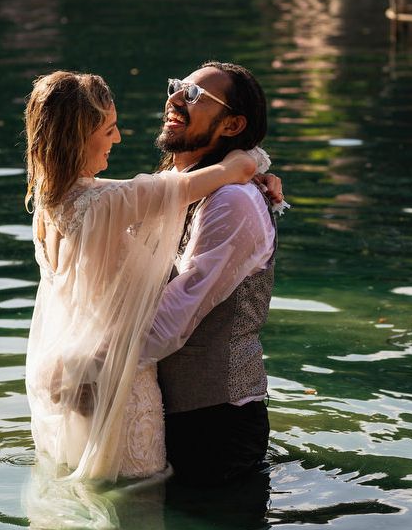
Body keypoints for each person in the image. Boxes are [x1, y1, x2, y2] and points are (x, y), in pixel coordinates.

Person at [24, 70, 262, 484]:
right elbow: (178, 188)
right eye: (109, 130)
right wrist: (245, 164)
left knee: (85, 491)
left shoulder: (53, 201)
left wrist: (250, 174)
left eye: (193, 94)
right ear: (78, 139)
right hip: (114, 380)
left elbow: (168, 187)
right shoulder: (110, 201)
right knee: (138, 498)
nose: (118, 139)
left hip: (66, 371)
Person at [142, 61, 282, 485]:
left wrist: (94, 368)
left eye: (194, 95)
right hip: (160, 407)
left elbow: (174, 318)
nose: (174, 99)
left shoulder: (232, 201)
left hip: (215, 423)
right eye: (177, 86)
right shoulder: (171, 183)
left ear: (232, 125)